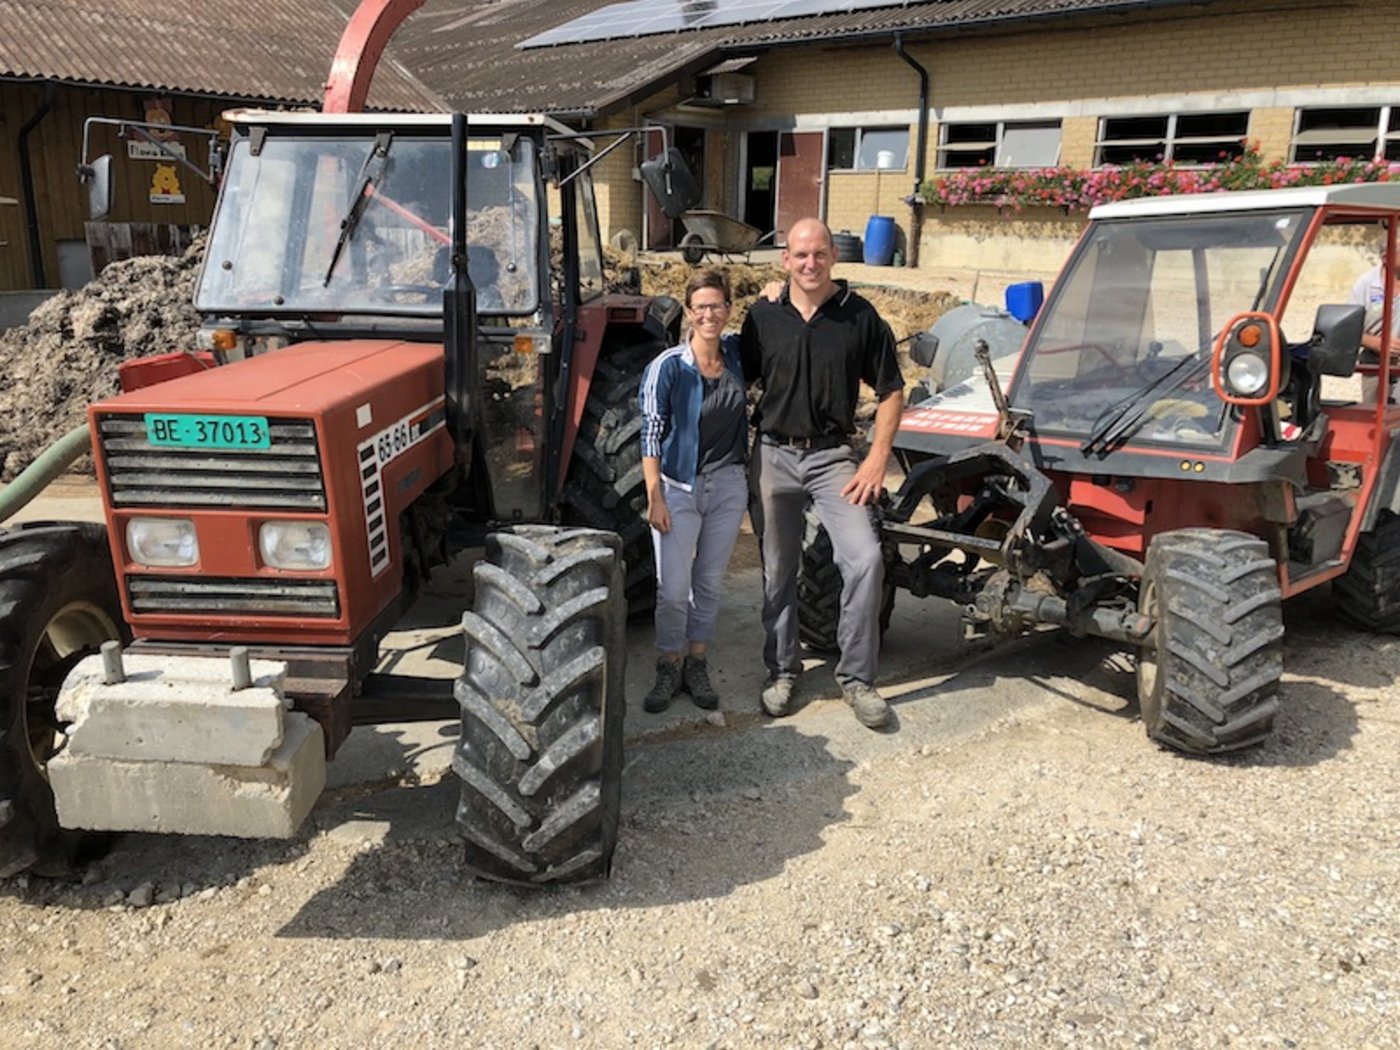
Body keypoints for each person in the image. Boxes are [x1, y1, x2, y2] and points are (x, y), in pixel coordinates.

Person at [740, 217, 905, 730]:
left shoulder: (859, 317)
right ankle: (783, 671)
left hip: (834, 458)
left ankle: (857, 680)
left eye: (819, 254)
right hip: (773, 455)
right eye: (799, 255)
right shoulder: (763, 316)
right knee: (777, 570)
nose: (810, 264)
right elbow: (733, 379)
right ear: (785, 260)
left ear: (834, 255)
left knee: (865, 559)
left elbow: (892, 390)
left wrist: (877, 458)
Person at [638, 269, 750, 713]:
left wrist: (776, 294)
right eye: (700, 306)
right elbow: (652, 431)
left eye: (716, 305)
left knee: (708, 582)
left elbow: (774, 328)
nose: (709, 314)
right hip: (677, 488)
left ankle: (696, 661)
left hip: (727, 486)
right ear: (688, 312)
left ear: (727, 309)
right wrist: (655, 495)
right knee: (672, 586)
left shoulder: (738, 355)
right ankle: (669, 662)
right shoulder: (667, 366)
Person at [1349, 260, 1400, 401]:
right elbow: (1349, 331)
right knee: (1375, 415)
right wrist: (1376, 343)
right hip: (1376, 364)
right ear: (1386, 256)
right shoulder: (1365, 286)